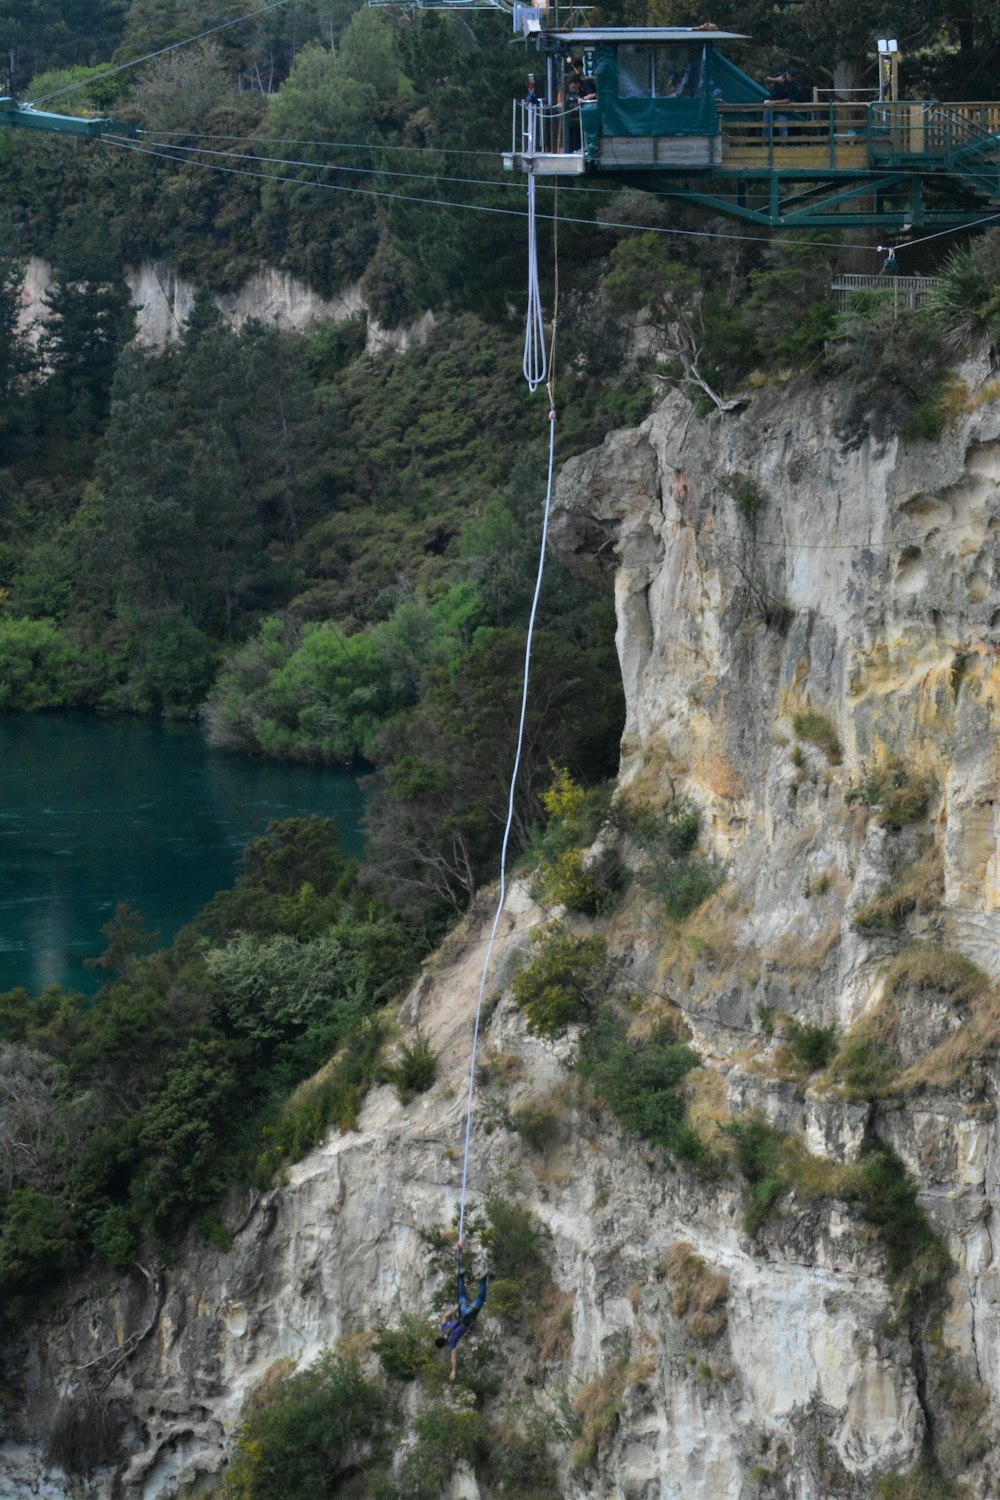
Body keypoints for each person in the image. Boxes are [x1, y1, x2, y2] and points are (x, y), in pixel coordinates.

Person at [435, 1242, 490, 1380]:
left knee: (480, 1300)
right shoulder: (443, 1328)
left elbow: (454, 1358)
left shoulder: (452, 1343)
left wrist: (453, 1370)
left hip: (468, 1317)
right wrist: (454, 1309)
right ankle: (460, 1276)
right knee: (462, 1296)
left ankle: (483, 1279)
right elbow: (445, 1316)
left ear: (444, 1344)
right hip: (461, 1312)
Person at [764, 69, 800, 142]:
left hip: (782, 107)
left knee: (782, 126)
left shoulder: (795, 86)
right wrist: (776, 80)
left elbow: (789, 100)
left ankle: (784, 147)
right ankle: (764, 145)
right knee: (766, 125)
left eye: (792, 78)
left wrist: (774, 102)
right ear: (787, 73)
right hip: (770, 103)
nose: (790, 79)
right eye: (790, 76)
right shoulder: (780, 75)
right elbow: (767, 79)